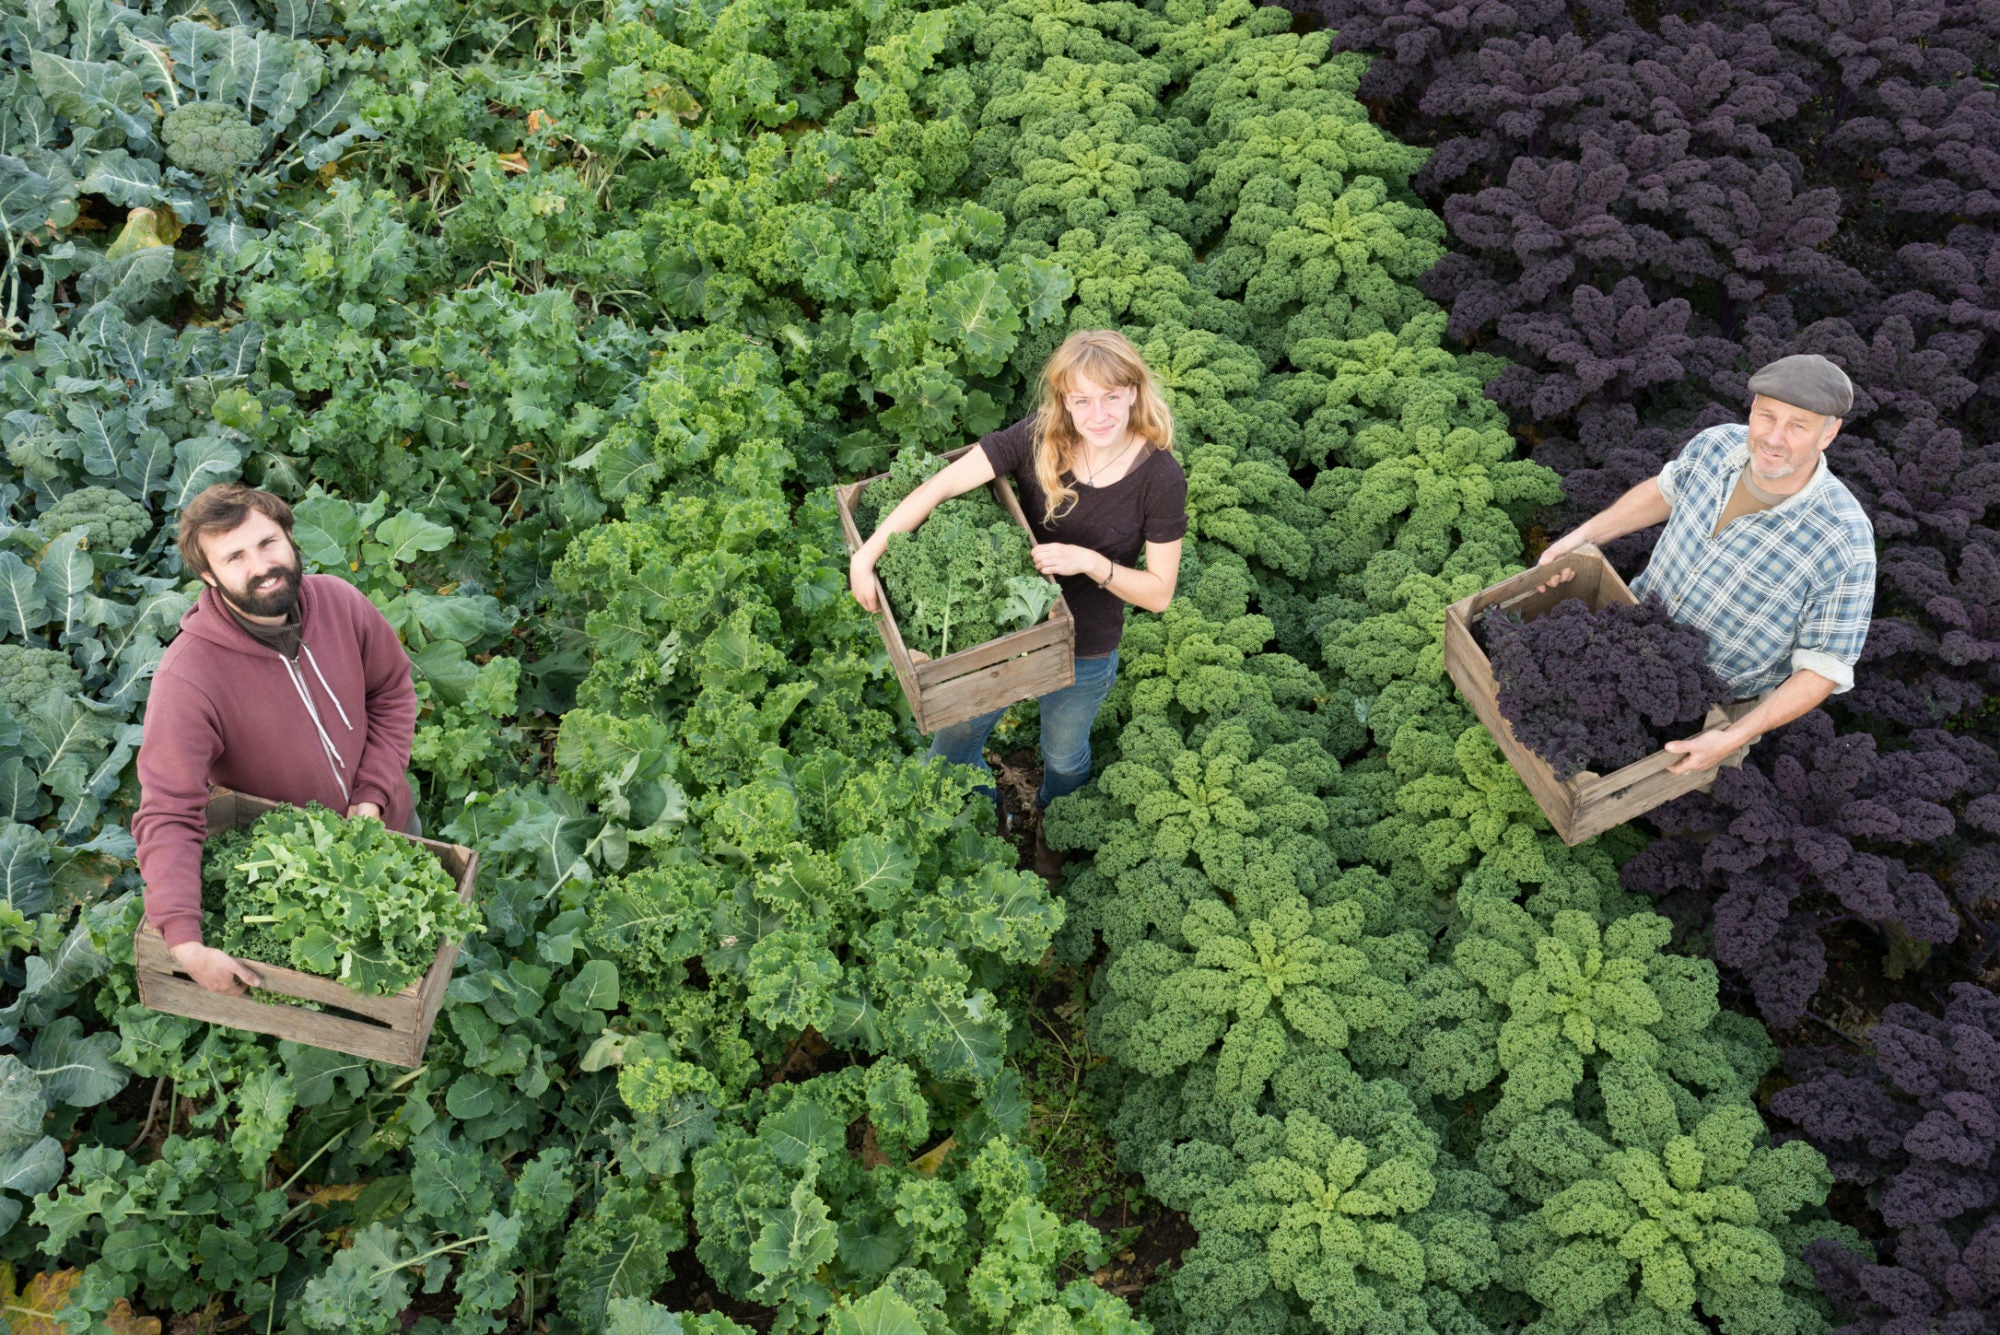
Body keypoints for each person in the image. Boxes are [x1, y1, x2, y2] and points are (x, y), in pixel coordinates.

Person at [849, 329, 1189, 874]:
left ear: (1133, 392)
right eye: (1082, 399)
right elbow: (940, 486)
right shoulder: (1040, 437)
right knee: (956, 737)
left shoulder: (1160, 478)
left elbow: (1159, 593)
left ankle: (1056, 829)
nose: (1098, 413)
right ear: (1064, 401)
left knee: (1063, 754)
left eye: (1111, 395)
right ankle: (977, 822)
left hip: (1085, 644)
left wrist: (1091, 563)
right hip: (998, 638)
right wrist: (866, 556)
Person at [134, 484, 419, 995]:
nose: (261, 565)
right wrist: (184, 941)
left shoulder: (340, 602)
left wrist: (374, 794)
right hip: (295, 879)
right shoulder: (189, 677)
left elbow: (392, 692)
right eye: (235, 556)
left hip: (389, 826)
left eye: (267, 542)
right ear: (208, 576)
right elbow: (169, 810)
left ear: (290, 536)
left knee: (411, 962)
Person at [1537, 353, 1875, 774]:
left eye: (1797, 426)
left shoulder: (1844, 540)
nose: (1773, 438)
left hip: (1711, 705)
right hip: (1625, 637)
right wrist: (1581, 539)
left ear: (1829, 434)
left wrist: (1733, 737)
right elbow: (1665, 490)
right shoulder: (1716, 446)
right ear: (1752, 409)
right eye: (1767, 416)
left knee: (1664, 793)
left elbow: (1825, 665)